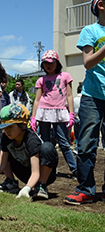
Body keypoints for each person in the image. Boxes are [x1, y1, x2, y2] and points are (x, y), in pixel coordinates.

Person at [65, 0, 105, 205]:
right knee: (87, 143)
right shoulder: (90, 30)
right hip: (92, 96)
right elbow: (88, 62)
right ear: (101, 5)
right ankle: (86, 189)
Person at [0, 104, 59, 200]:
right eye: (4, 127)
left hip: (41, 173)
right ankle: (11, 182)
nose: (6, 130)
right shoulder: (6, 138)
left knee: (47, 147)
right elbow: (2, 163)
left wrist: (27, 188)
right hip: (23, 171)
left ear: (22, 125)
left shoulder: (31, 140)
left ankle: (41, 185)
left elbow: (35, 172)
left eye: (10, 127)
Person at [30, 50, 77, 179]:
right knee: (46, 143)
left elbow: (69, 96)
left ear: (57, 63)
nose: (48, 65)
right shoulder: (41, 80)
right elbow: (37, 100)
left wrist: (71, 113)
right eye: (45, 63)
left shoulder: (65, 76)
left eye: (51, 63)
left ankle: (75, 170)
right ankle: (50, 169)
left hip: (60, 111)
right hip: (44, 112)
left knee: (64, 143)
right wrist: (33, 117)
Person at [72, 83, 82, 154]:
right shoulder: (84, 100)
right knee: (83, 134)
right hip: (82, 119)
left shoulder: (74, 100)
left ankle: (77, 148)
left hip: (75, 118)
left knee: (77, 135)